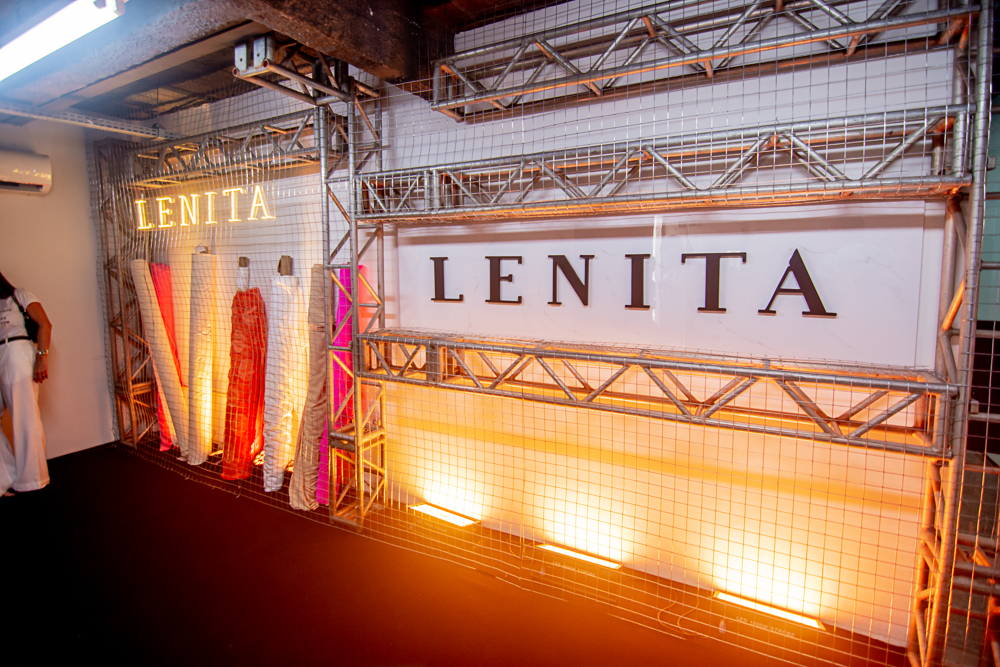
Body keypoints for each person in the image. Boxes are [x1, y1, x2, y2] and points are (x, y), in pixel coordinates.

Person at [0, 271, 52, 497]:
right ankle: (6, 477)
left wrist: (41, 357)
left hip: (17, 352)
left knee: (24, 416)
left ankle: (31, 479)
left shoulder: (19, 296)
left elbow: (45, 325)